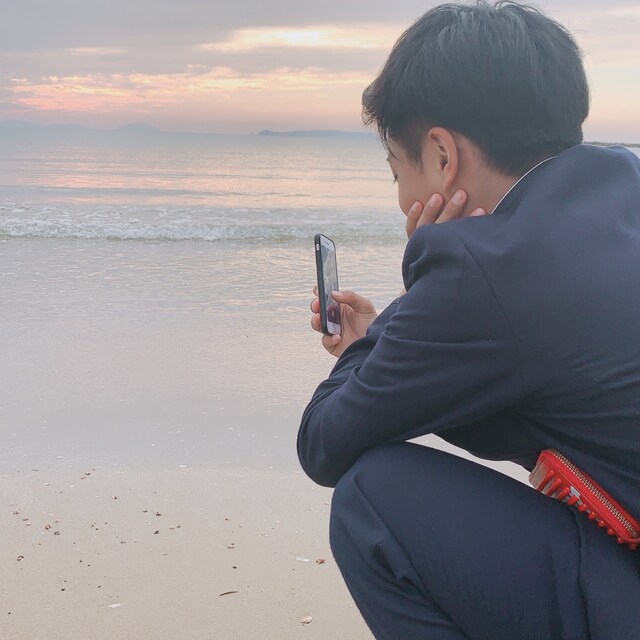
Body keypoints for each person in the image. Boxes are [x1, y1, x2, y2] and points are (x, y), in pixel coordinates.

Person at [297, 2, 640, 638]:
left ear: (442, 154)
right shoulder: (624, 183)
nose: (401, 197)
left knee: (373, 498)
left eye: (396, 173)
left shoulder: (492, 268)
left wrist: (397, 318)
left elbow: (323, 443)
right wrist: (401, 328)